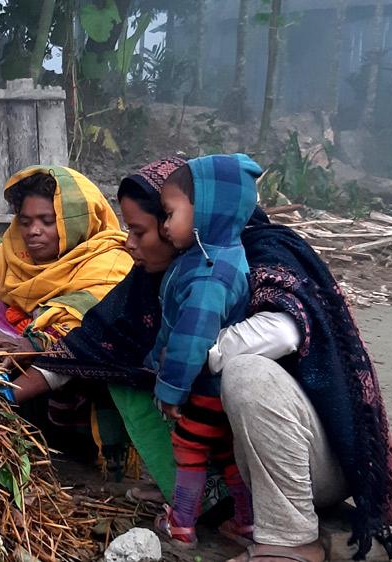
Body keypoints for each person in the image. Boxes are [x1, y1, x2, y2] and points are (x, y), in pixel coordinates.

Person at [10, 157, 392, 562]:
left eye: (142, 229)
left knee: (246, 372)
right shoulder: (160, 277)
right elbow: (94, 345)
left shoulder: (258, 256)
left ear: (191, 221)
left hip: (314, 460)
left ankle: (291, 538)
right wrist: (1, 396)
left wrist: (198, 353)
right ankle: (211, 502)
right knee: (129, 376)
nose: (130, 242)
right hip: (247, 458)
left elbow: (285, 331)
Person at [0, 165, 134, 467]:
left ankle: (27, 419)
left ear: (76, 222)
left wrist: (34, 343)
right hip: (22, 367)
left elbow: (89, 327)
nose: (33, 231)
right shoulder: (13, 251)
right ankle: (4, 418)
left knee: (72, 346)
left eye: (47, 221)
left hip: (80, 390)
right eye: (26, 221)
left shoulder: (110, 260)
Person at [148, 156, 259, 547]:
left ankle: (180, 522)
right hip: (220, 386)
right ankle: (245, 522)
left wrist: (170, 389)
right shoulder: (216, 254)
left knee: (189, 447)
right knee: (225, 452)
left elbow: (192, 337)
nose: (164, 226)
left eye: (170, 213)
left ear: (208, 210)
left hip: (203, 385)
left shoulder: (209, 271)